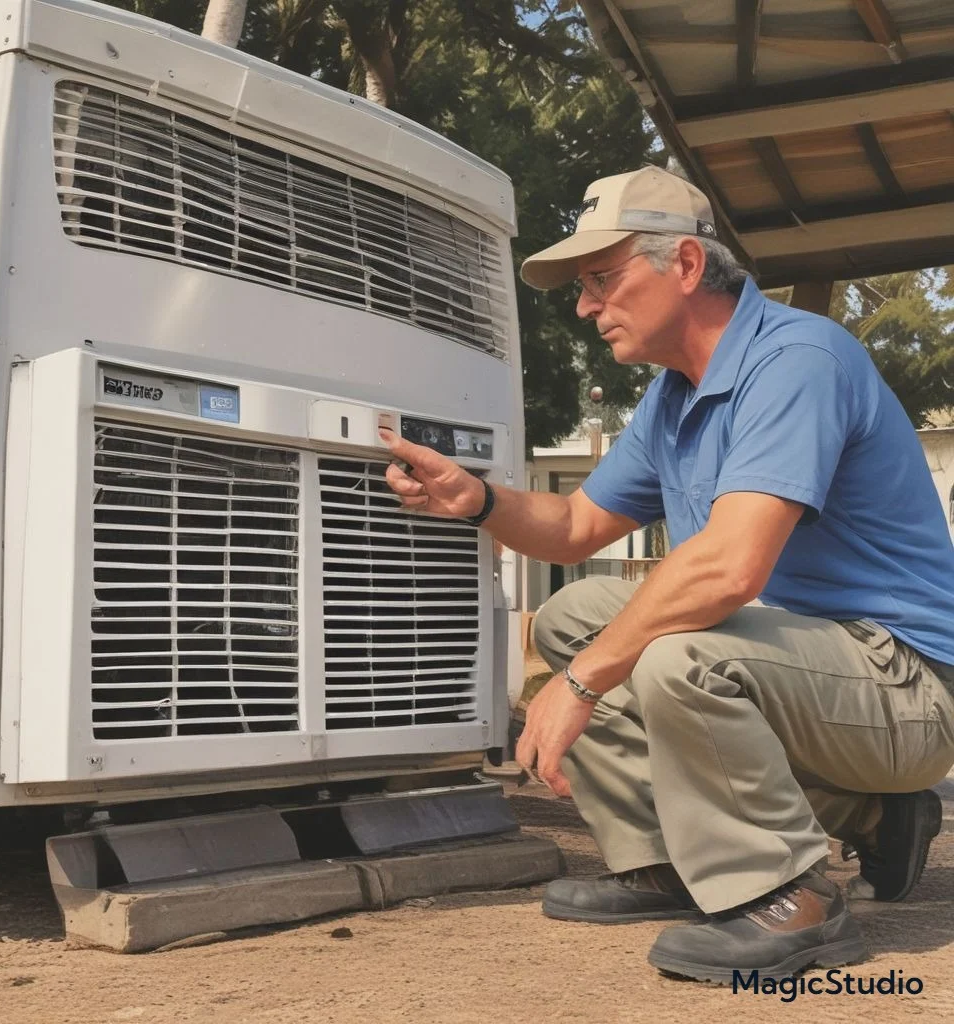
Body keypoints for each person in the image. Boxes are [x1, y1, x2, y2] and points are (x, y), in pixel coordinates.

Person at [379, 165, 954, 984]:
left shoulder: (796, 361)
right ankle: (670, 859)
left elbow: (726, 568)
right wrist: (474, 499)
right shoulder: (672, 398)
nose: (584, 307)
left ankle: (794, 896)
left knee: (678, 653)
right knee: (580, 613)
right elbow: (576, 528)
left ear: (685, 265)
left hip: (912, 685)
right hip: (815, 670)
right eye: (581, 287)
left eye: (601, 280)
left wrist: (576, 686)